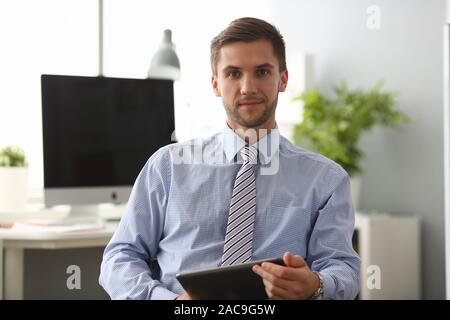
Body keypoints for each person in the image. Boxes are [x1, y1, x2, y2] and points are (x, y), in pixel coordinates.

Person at [99, 17, 360, 300]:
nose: (248, 87)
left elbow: (343, 268)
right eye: (233, 74)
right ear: (215, 83)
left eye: (262, 72)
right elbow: (119, 258)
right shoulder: (167, 167)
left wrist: (315, 285)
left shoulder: (326, 179)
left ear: (282, 79)